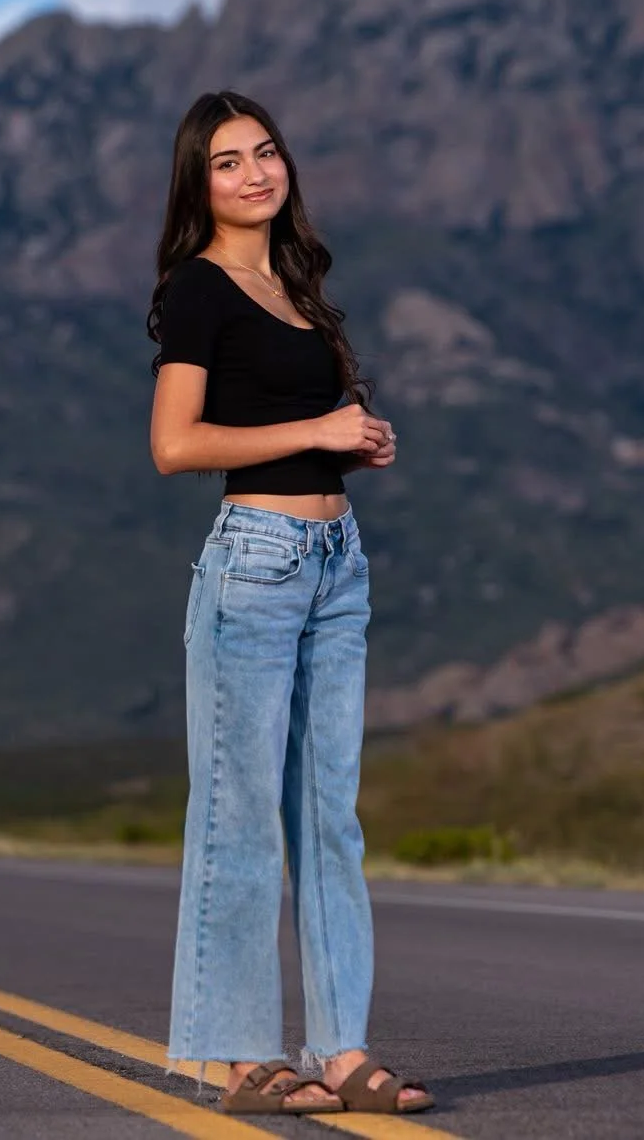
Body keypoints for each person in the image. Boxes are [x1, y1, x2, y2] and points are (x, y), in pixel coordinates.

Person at [145, 90, 434, 1117]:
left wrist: (350, 434)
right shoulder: (199, 290)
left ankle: (342, 1049)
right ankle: (235, 1057)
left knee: (329, 818)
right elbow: (174, 444)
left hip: (334, 561)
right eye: (227, 162)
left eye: (265, 153)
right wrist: (312, 425)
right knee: (240, 820)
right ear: (199, 184)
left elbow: (293, 417)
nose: (255, 173)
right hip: (256, 563)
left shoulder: (295, 287)